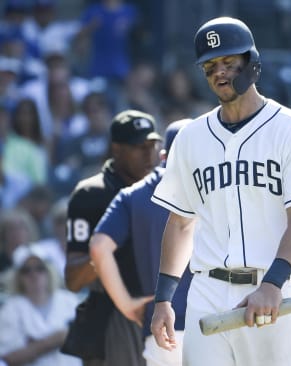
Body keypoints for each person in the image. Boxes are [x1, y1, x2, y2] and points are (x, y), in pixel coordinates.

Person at [150, 17, 291, 366]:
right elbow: (179, 223)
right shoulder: (191, 138)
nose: (220, 72)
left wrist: (273, 284)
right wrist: (164, 301)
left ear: (251, 63)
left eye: (229, 62)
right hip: (207, 290)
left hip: (273, 289)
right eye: (210, 65)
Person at [89, 119, 191, 366]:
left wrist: (126, 304)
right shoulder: (214, 188)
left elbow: (99, 246)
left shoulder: (133, 195)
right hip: (213, 324)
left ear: (163, 155)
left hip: (161, 331)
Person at [63, 109, 161, 366]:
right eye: (139, 146)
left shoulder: (166, 188)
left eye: (153, 145)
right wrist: (106, 249)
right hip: (113, 319)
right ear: (116, 149)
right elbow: (73, 279)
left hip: (163, 311)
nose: (149, 154)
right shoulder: (91, 194)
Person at [0, 246, 81, 366]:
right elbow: (7, 358)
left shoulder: (69, 300)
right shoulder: (10, 309)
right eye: (26, 270)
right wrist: (54, 340)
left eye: (39, 268)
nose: (34, 275)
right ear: (18, 276)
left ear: (49, 270)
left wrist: (33, 346)